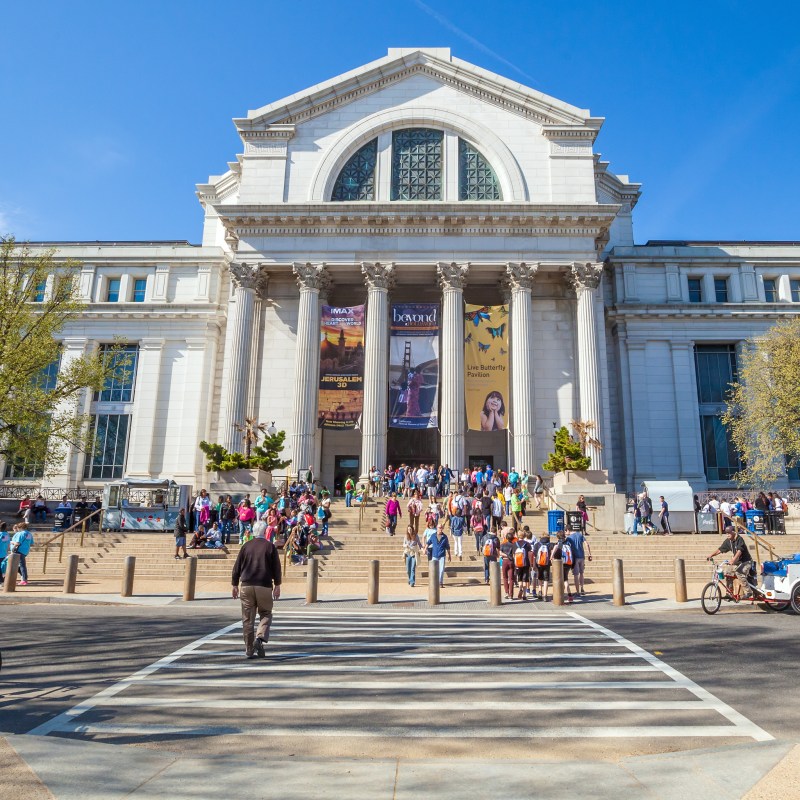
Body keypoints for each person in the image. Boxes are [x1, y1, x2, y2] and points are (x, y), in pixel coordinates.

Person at [231, 521, 282, 659]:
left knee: (247, 619)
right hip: (264, 584)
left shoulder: (246, 546)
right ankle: (260, 638)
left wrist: (234, 584)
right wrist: (277, 585)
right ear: (266, 532)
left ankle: (249, 649)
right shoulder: (270, 546)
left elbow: (237, 567)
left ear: (253, 532)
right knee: (266, 613)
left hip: (246, 585)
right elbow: (276, 568)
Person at [709, 525, 754, 599]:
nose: (727, 535)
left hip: (746, 562)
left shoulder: (739, 539)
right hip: (737, 562)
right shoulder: (728, 541)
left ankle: (748, 592)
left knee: (739, 572)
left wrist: (733, 560)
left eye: (729, 533)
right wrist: (711, 555)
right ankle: (729, 593)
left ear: (733, 532)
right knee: (728, 573)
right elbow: (720, 550)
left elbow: (739, 551)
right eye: (726, 533)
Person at [566, 526, 592, 597]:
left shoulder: (569, 538)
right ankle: (582, 588)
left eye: (566, 531)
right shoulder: (580, 535)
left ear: (568, 530)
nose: (566, 533)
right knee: (582, 573)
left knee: (575, 575)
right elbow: (587, 544)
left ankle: (577, 591)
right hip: (582, 556)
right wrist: (589, 554)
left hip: (574, 557)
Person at [512, 532, 532, 600]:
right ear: (524, 536)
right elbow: (529, 554)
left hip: (518, 563)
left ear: (518, 536)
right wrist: (531, 564)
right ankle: (524, 595)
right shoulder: (527, 544)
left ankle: (520, 589)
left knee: (519, 578)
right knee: (525, 579)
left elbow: (513, 555)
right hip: (526, 563)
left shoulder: (515, 544)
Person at [534, 533, 553, 601]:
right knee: (546, 579)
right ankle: (545, 595)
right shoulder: (550, 544)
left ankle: (540, 591)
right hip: (547, 563)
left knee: (540, 577)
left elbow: (535, 554)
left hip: (539, 563)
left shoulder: (537, 544)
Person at [499, 529, 516, 600]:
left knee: (505, 577)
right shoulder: (514, 545)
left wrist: (505, 555)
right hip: (511, 561)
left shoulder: (502, 544)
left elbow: (500, 553)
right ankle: (511, 594)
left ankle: (506, 592)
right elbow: (514, 554)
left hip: (505, 561)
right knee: (511, 578)